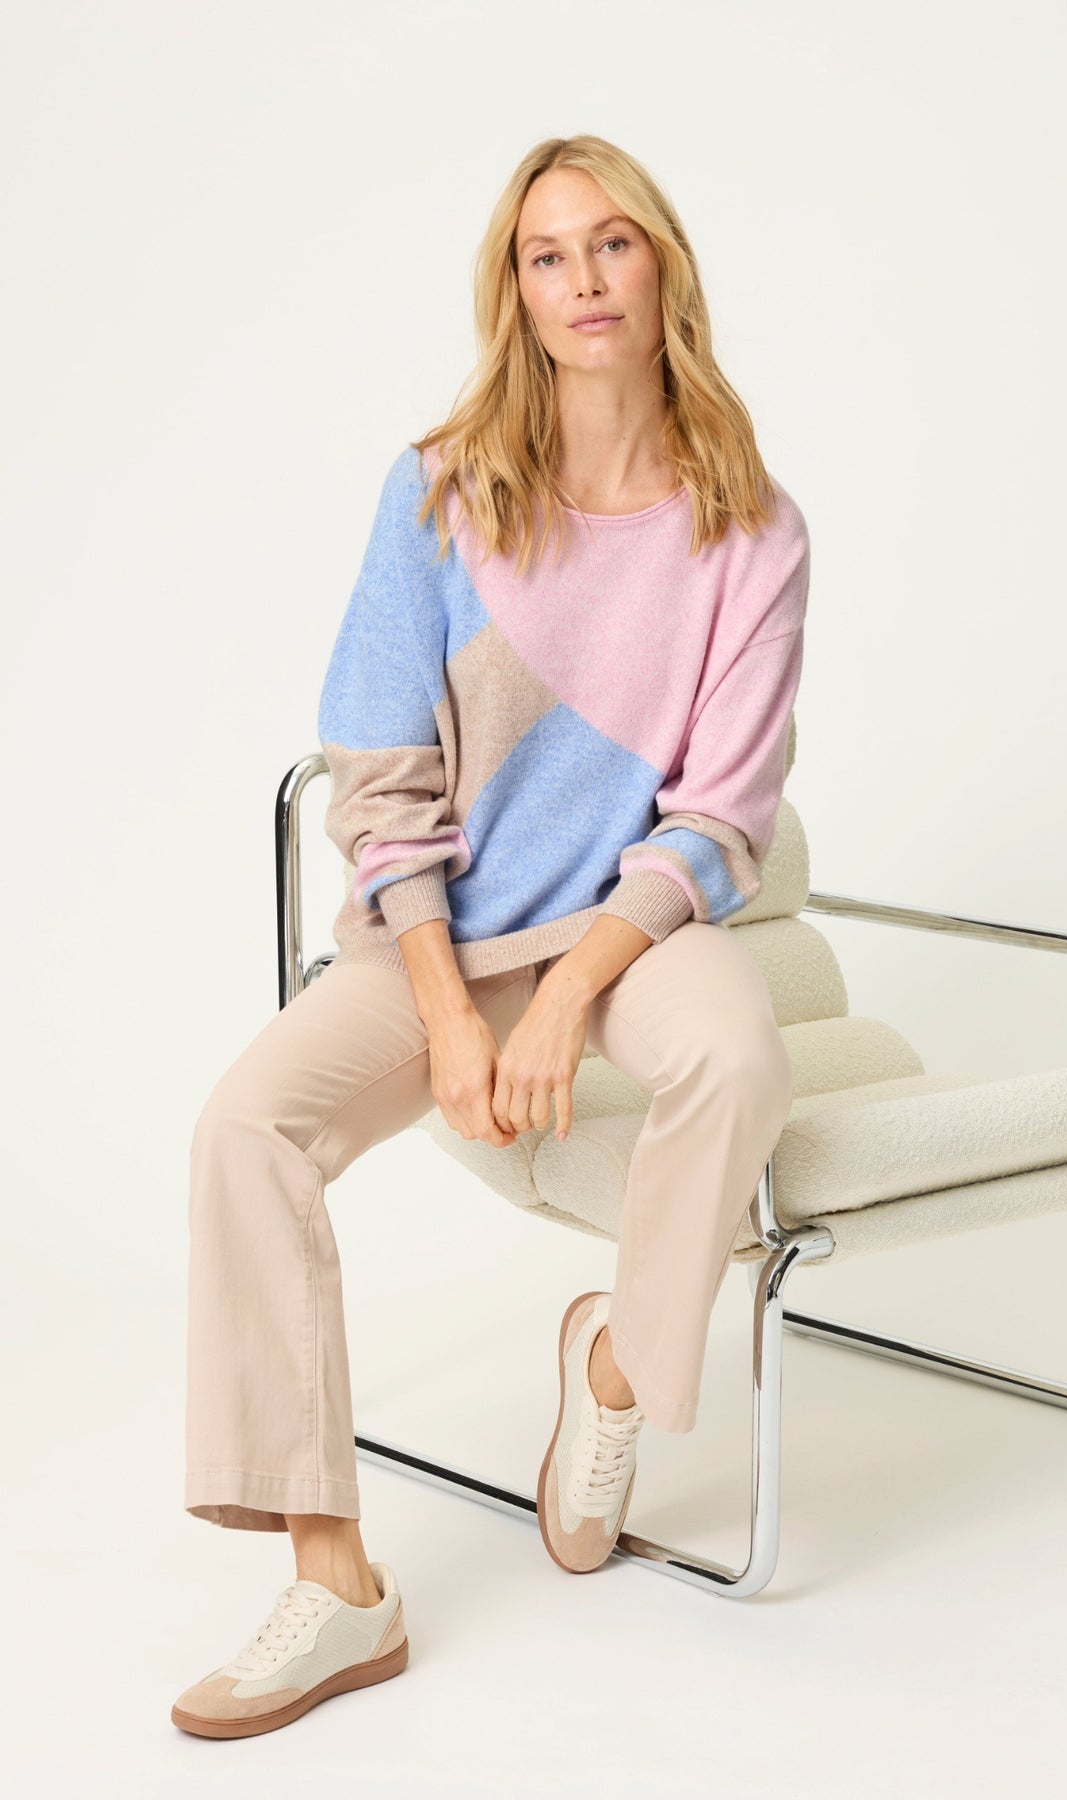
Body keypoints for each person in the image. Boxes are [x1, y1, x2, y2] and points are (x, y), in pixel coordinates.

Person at [172, 132, 811, 1739]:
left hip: (625, 933)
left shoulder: (752, 528)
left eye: (613, 243)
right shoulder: (441, 493)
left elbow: (719, 813)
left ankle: (612, 1371)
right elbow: (380, 771)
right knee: (245, 1128)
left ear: (663, 266)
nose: (584, 279)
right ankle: (338, 1586)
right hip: (440, 940)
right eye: (547, 254)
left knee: (738, 1057)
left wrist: (576, 986)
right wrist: (454, 1010)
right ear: (515, 293)